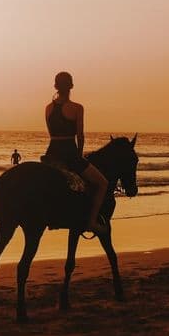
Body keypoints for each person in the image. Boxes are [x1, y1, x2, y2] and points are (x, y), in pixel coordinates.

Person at [44, 71, 109, 235]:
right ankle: (92, 221)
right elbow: (80, 135)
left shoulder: (48, 109)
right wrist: (79, 156)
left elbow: (52, 133)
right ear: (71, 86)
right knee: (102, 183)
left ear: (55, 86)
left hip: (51, 154)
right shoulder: (77, 108)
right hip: (69, 153)